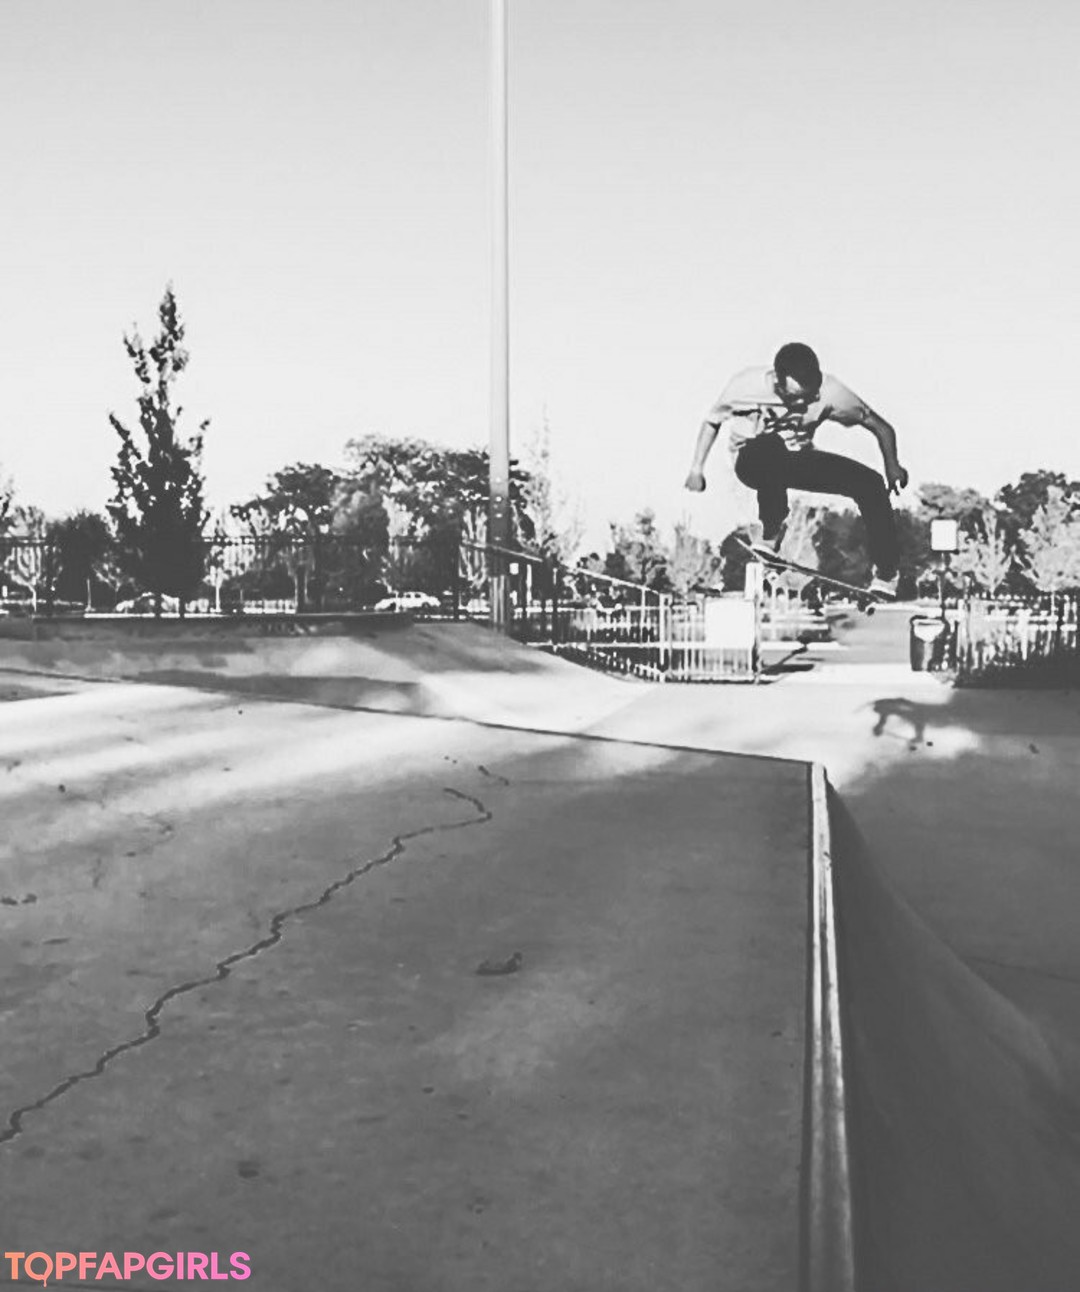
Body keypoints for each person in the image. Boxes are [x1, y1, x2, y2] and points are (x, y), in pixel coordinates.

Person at [684, 342, 909, 597]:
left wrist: (892, 466)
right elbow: (712, 421)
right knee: (770, 445)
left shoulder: (831, 392)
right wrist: (696, 469)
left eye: (807, 398)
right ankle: (771, 532)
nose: (800, 403)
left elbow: (881, 427)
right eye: (792, 397)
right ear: (777, 382)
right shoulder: (745, 385)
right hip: (751, 460)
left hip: (797, 460)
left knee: (870, 483)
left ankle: (887, 572)